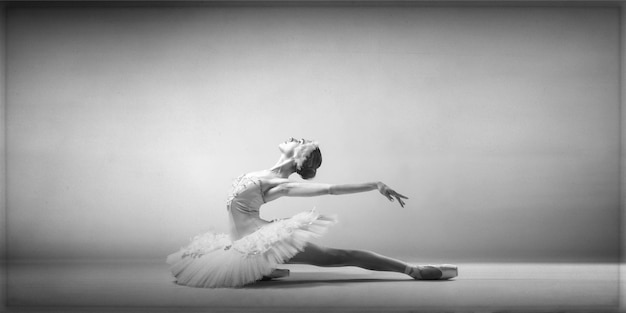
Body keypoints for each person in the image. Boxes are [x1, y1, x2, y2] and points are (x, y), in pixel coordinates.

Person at [167, 138, 457, 288]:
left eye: (300, 140)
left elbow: (329, 189)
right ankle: (263, 271)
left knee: (338, 257)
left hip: (261, 240)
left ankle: (413, 271)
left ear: (299, 156)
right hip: (244, 242)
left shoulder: (279, 185)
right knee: (334, 257)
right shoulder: (261, 173)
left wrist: (374, 185)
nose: (294, 137)